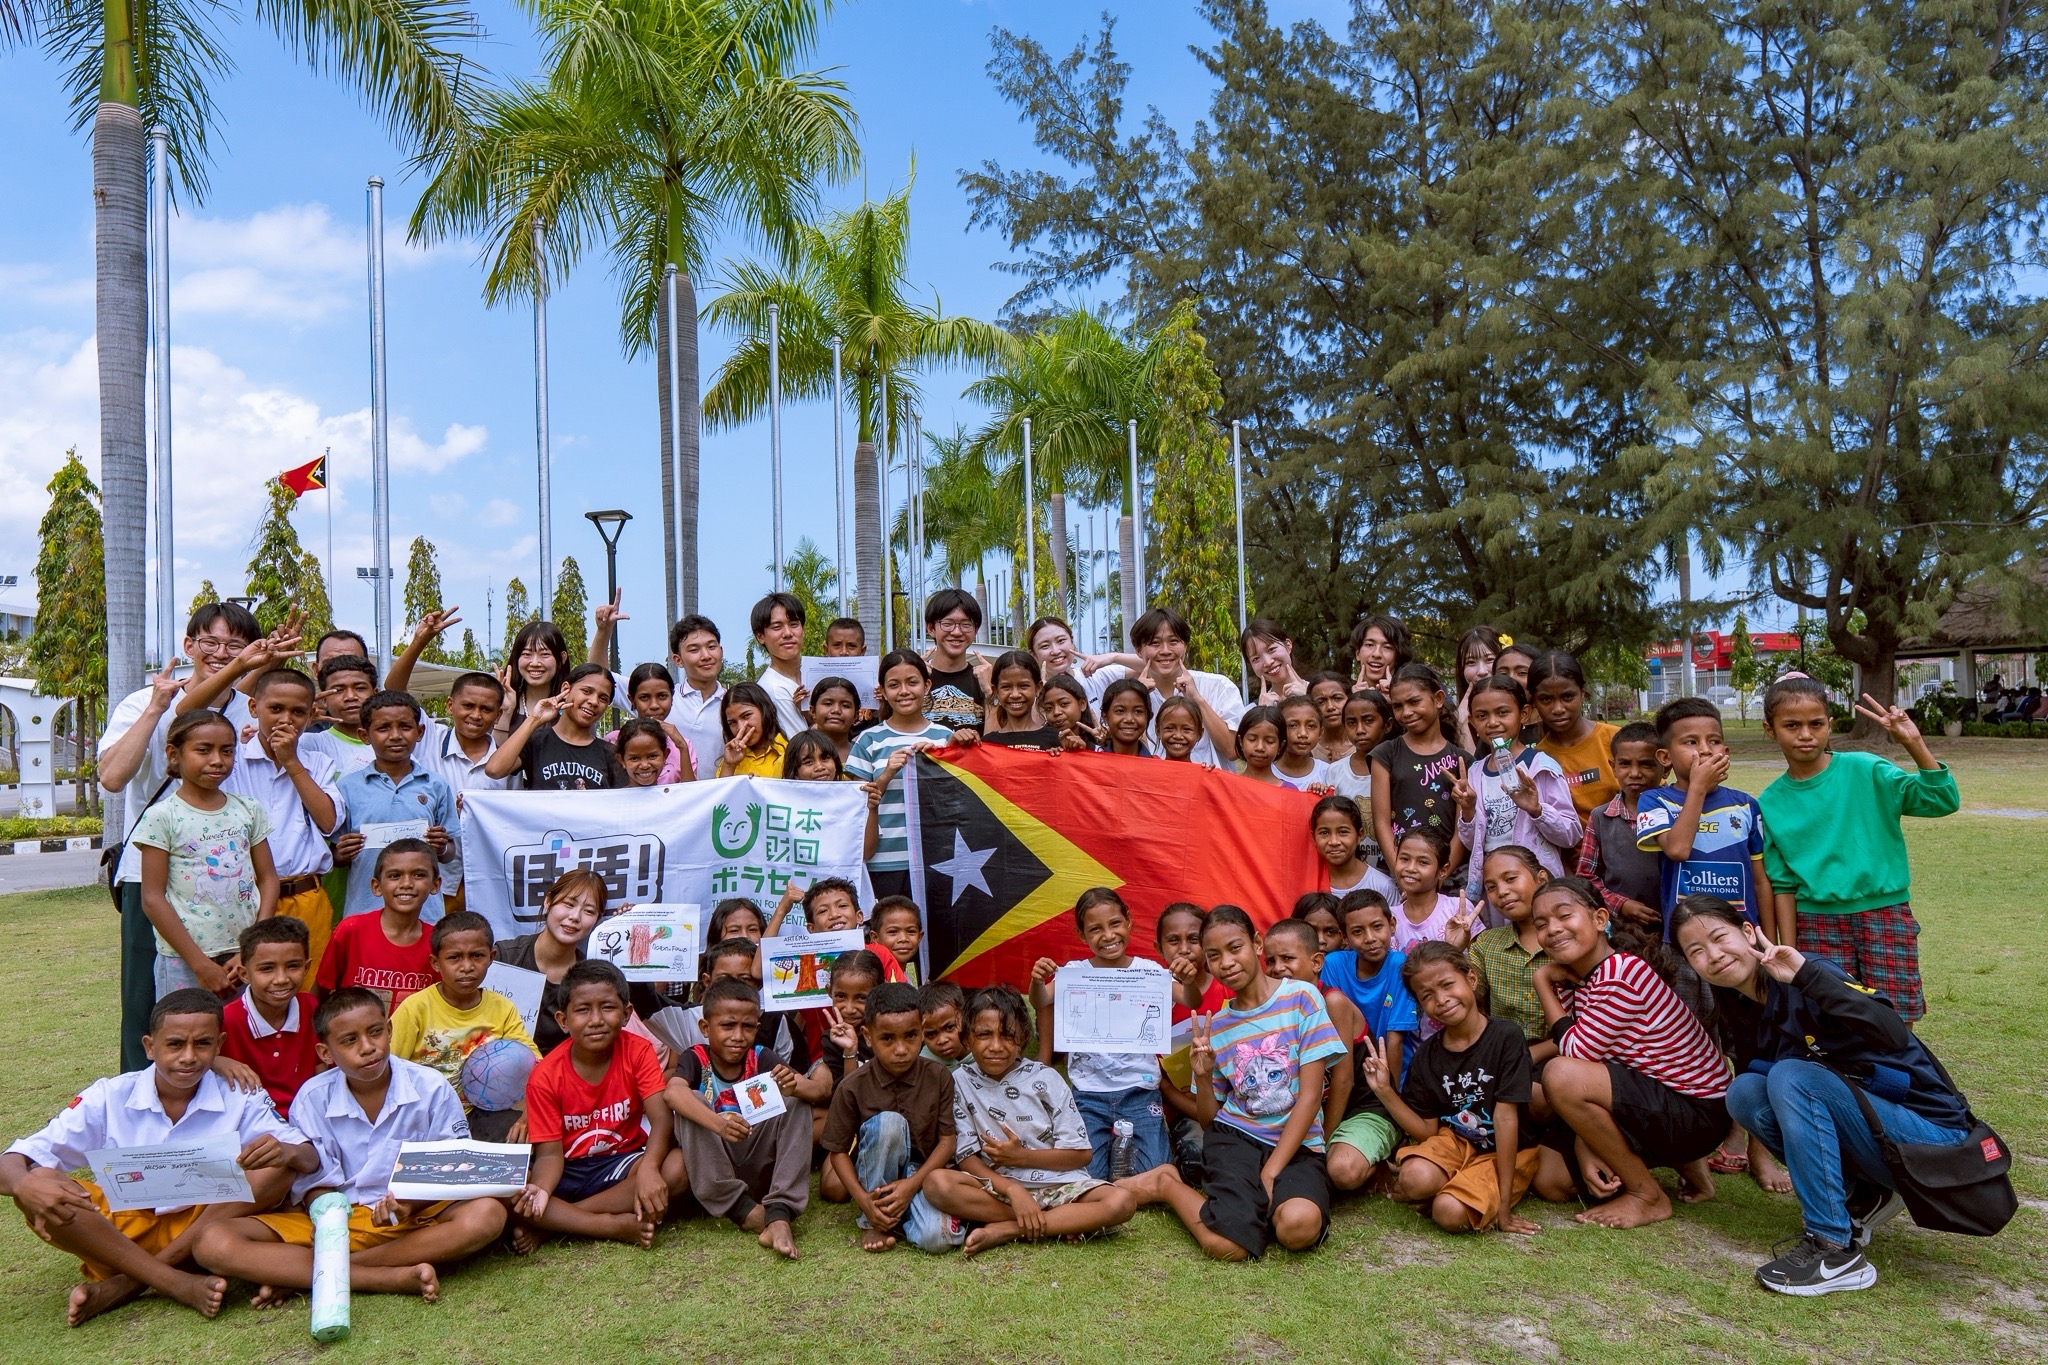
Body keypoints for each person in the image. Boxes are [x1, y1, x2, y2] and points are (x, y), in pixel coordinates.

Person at [1672, 896, 1978, 1296]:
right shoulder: (1737, 1003)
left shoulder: (1808, 970)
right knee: (1745, 1091)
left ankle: (1835, 1251)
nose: (1713, 955)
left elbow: (1893, 1033)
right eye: (1697, 951)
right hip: (1878, 1134)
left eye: (1719, 938)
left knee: (1792, 1074)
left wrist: (1805, 976)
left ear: (1748, 932)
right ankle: (1863, 1193)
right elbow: (1756, 1081)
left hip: (1935, 1139)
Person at [2, 989, 316, 1326]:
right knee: (38, 1182)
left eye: (203, 1044)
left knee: (277, 1165)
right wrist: (24, 1184)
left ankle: (129, 1283)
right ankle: (175, 1281)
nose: (189, 1057)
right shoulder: (110, 1096)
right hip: (120, 1235)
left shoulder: (241, 1095)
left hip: (205, 1227)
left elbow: (308, 1158)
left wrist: (290, 1151)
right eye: (175, 1044)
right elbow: (12, 1160)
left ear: (220, 1044)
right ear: (150, 1047)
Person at [192, 987, 507, 1305]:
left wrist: (410, 1203)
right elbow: (311, 1183)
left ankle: (318, 1273)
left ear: (389, 1030)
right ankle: (386, 1277)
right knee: (212, 1241)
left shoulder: (430, 1086)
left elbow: (453, 1165)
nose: (368, 1048)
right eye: (349, 1040)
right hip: (338, 1223)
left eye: (375, 1033)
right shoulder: (313, 1097)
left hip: (411, 1218)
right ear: (325, 1053)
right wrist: (326, 1219)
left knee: (487, 1214)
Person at [1125, 906, 1345, 1261]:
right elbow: (1210, 1122)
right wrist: (1202, 1073)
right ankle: (1166, 1184)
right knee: (1227, 1247)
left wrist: (1272, 1171)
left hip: (1299, 1146)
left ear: (1257, 942)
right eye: (1214, 956)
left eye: (1234, 947)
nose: (1226, 962)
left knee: (1298, 1228)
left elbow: (1309, 1097)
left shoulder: (1302, 999)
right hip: (1236, 1141)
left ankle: (1258, 1205)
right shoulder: (1220, 1025)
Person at [102, 601, 264, 1068]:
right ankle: (142, 1106)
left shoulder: (249, 710)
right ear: (189, 645)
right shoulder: (145, 700)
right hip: (152, 878)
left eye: (234, 645)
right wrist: (156, 708)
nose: (220, 653)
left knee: (232, 1007)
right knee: (148, 1007)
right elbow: (112, 778)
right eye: (210, 643)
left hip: (230, 881)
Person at [1757, 679, 1960, 1026]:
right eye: (1792, 725)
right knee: (1833, 1018)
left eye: (1816, 724)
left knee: (1895, 1018)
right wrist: (1793, 957)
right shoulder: (1769, 803)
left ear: (1829, 724)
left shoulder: (1867, 769)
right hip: (1815, 924)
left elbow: (1940, 800)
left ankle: (1906, 1078)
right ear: (1770, 730)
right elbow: (1782, 885)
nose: (1805, 734)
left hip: (1884, 914)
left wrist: (1913, 742)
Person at [1530, 878, 1730, 1228]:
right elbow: (1597, 1059)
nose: (1553, 929)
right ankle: (1687, 1169)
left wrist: (1542, 981)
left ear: (1598, 918)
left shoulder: (1622, 972)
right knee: (1552, 1181)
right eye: (1542, 924)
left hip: (1697, 1112)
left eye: (1564, 915)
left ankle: (1647, 1195)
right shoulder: (1583, 977)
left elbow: (1575, 1053)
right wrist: (1584, 1139)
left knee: (1559, 1073)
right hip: (1657, 1096)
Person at [925, 984, 1138, 1257]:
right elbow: (967, 1158)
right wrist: (1013, 1189)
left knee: (1121, 1201)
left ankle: (1010, 1228)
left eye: (1008, 1036)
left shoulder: (1046, 1079)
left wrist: (1021, 1158)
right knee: (937, 1184)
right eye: (984, 1035)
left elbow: (1080, 1155)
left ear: (1024, 1037)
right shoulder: (958, 1083)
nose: (996, 1046)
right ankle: (1062, 1221)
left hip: (1060, 1186)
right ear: (966, 1038)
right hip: (999, 1189)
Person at [1363, 941, 1542, 1234]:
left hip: (1506, 1149)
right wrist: (1384, 1090)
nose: (1442, 999)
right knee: (1413, 1178)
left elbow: (1506, 1118)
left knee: (1448, 1213)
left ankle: (1460, 1191)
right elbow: (1427, 1131)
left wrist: (1505, 1207)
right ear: (1420, 1006)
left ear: (1470, 979)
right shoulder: (1427, 1055)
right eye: (1427, 996)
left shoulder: (1506, 1036)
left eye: (1448, 985)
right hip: (1455, 1143)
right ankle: (1456, 1184)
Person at [512, 961, 687, 1253]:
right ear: (563, 1020)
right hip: (567, 1170)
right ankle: (610, 1225)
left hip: (622, 1163)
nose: (596, 1019)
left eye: (607, 1007)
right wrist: (541, 1191)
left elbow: (661, 1120)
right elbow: (549, 1157)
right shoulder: (545, 1076)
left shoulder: (637, 1051)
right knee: (517, 1195)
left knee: (678, 1166)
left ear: (626, 1013)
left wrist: (649, 1170)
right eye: (582, 1010)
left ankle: (559, 1223)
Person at [195, 665, 344, 983]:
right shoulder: (231, 763)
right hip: (242, 899)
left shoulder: (316, 763)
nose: (286, 719)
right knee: (246, 993)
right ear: (254, 708)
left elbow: (329, 822)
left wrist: (291, 761)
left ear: (310, 715)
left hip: (306, 897)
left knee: (306, 995)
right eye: (275, 709)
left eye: (298, 712)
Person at [1029, 888, 1176, 1183]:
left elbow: (1191, 999)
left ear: (1129, 922)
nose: (1108, 935)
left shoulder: (1150, 972)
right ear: (1082, 935)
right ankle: (1110, 1149)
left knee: (1153, 1169)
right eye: (1095, 929)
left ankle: (1120, 1150)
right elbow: (1042, 1000)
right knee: (1087, 1173)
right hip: (1089, 1093)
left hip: (1139, 1090)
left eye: (1115, 924)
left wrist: (1181, 976)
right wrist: (1036, 980)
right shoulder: (1073, 973)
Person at [664, 977, 814, 1260]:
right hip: (712, 1165)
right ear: (705, 1028)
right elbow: (672, 1094)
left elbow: (817, 1091)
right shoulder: (695, 1058)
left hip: (757, 1158)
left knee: (796, 1100)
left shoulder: (760, 1057)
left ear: (757, 1028)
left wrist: (794, 1084)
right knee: (690, 1099)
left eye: (747, 1026)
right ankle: (745, 1211)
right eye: (727, 1026)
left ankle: (780, 1214)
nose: (737, 1036)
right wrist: (719, 1124)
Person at [134, 708, 279, 999]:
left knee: (242, 1038)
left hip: (244, 957)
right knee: (190, 1035)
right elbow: (152, 898)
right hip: (183, 959)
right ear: (174, 754)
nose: (217, 760)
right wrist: (200, 965)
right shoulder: (162, 817)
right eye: (203, 750)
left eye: (227, 751)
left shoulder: (247, 809)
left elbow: (268, 880)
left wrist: (253, 947)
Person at [818, 981, 966, 1253]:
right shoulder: (853, 1086)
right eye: (888, 1038)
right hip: (875, 1181)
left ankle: (901, 1212)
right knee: (888, 1123)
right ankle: (874, 1219)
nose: (901, 1049)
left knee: (939, 1240)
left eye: (910, 1036)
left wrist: (911, 1186)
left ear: (922, 1031)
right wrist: (863, 1200)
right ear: (867, 1036)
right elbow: (838, 1152)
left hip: (923, 1175)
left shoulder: (939, 1077)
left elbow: (947, 1141)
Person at [388, 912, 539, 1142]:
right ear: (435, 963)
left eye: (477, 956)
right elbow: (389, 1067)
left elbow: (533, 1063)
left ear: (491, 957)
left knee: (523, 1131)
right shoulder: (415, 1008)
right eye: (454, 958)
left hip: (485, 1116)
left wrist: (529, 1112)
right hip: (426, 1114)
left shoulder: (502, 1008)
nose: (467, 966)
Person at [1636, 696, 1774, 940]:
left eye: (1715, 741)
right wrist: (1698, 788)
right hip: (1685, 938)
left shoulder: (1746, 805)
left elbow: (1760, 881)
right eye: (1691, 742)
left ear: (1726, 752)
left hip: (1743, 935)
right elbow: (1677, 850)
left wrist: (1769, 942)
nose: (1705, 749)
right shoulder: (1654, 801)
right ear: (1665, 757)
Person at [1319, 890, 1419, 1194]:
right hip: (1342, 1071)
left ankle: (1386, 1149)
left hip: (1388, 1079)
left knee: (1340, 1170)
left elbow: (1395, 1040)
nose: (1371, 938)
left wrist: (1392, 1098)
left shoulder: (1401, 967)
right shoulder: (1335, 964)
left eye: (1377, 927)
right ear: (1346, 937)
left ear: (1392, 924)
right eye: (1358, 932)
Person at [848, 651, 967, 902]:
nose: (904, 691)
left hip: (936, 859)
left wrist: (937, 763)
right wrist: (887, 773)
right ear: (883, 691)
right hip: (884, 863)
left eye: (912, 682)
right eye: (894, 685)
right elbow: (856, 808)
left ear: (927, 685)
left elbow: (958, 800)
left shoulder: (944, 737)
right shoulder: (868, 740)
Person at [334, 691, 461, 922]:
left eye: (405, 727)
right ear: (365, 735)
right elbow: (335, 857)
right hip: (366, 911)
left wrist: (441, 846)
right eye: (383, 728)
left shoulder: (436, 784)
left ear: (420, 732)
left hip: (425, 914)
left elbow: (449, 853)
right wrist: (341, 854)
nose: (395, 736)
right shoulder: (347, 787)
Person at [1452, 675, 1581, 897]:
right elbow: (1472, 843)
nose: (1492, 723)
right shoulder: (1474, 773)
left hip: (1539, 886)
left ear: (1523, 714)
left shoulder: (1540, 766)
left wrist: (1537, 810)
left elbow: (1570, 835)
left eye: (1503, 712)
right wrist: (1468, 811)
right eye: (1482, 716)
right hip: (1495, 889)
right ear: (1472, 722)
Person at [1091, 608, 1246, 763]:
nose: (1165, 651)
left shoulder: (1219, 686)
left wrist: (1197, 699)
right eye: (1155, 643)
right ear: (1139, 650)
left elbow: (1233, 750)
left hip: (1207, 786)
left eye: (1173, 642)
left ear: (1185, 645)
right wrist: (1139, 700)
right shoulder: (1131, 698)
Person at [1261, 919, 1363, 1148]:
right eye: (1270, 961)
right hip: (1315, 1106)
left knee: (1340, 1168)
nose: (1277, 968)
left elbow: (1344, 1079)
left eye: (1287, 958)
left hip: (1355, 1105)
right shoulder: (1280, 1006)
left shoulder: (1332, 1002)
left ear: (1316, 962)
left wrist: (1322, 1140)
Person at [1369, 664, 1471, 869]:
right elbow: (1381, 823)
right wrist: (1401, 871)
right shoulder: (1385, 754)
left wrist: (1440, 874)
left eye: (1414, 701)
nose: (1406, 712)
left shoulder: (1462, 760)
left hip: (1449, 875)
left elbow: (1463, 829)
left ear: (1438, 699)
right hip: (1399, 871)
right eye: (1398, 706)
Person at [318, 839, 439, 1010]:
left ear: (435, 885)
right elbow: (320, 993)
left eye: (418, 875)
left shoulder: (437, 942)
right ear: (377, 886)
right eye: (394, 876)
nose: (406, 884)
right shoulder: (352, 930)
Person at [219, 917, 322, 1116]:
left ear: (307, 968)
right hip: (247, 1121)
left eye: (293, 966)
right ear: (244, 974)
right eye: (267, 968)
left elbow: (322, 1070)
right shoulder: (226, 1020)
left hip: (305, 1118)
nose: (281, 979)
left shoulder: (310, 1007)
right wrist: (216, 1061)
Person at [1575, 721, 1664, 932]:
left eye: (1646, 764)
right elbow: (1586, 878)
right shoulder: (1600, 818)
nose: (1634, 773)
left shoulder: (1678, 812)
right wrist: (1621, 905)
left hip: (1674, 925)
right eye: (1624, 764)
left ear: (1665, 767)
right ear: (1612, 767)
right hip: (1623, 929)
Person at [1465, 846, 1556, 1047]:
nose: (1502, 892)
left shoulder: (1566, 940)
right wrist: (1456, 948)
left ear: (1541, 879)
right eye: (1491, 887)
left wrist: (1529, 1057)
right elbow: (1466, 1002)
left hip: (1567, 1056)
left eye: (1510, 879)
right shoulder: (1487, 944)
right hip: (1504, 1056)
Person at [488, 663, 630, 791]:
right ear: (566, 689)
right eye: (586, 691)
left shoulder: (611, 754)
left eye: (603, 698)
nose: (593, 701)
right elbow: (494, 770)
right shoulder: (536, 742)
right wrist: (534, 719)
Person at [1529, 650, 1621, 821]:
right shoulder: (1537, 759)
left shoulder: (1616, 740)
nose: (1558, 709)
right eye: (1546, 699)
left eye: (1567, 697)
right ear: (1534, 702)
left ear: (1582, 694)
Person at [604, 663, 695, 785]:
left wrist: (682, 748)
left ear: (672, 697)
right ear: (632, 700)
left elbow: (692, 795)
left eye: (662, 696)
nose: (654, 705)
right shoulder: (613, 740)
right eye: (644, 697)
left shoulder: (682, 744)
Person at [668, 613, 730, 781]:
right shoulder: (663, 700)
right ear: (678, 660)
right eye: (694, 650)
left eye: (711, 647)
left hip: (717, 804)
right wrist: (604, 631)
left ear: (721, 651)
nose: (706, 656)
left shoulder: (734, 706)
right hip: (668, 803)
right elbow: (599, 678)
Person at [921, 588, 992, 733]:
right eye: (947, 624)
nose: (957, 632)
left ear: (976, 630)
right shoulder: (916, 679)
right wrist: (911, 676)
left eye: (966, 625)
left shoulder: (985, 680)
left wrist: (991, 691)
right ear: (931, 628)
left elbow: (996, 738)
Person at [1389, 829, 1472, 952]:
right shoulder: (1389, 918)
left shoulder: (1457, 910)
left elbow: (1479, 961)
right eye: (1405, 859)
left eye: (1423, 862)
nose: (1411, 868)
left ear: (1442, 871)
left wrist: (1455, 948)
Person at [300, 656, 379, 779]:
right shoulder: (308, 744)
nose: (350, 696)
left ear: (376, 694)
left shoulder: (392, 745)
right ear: (324, 699)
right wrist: (298, 724)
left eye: (360, 688)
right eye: (338, 690)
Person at [1311, 795, 1398, 905]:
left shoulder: (1383, 886)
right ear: (1313, 837)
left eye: (1343, 832)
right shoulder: (1307, 885)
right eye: (1324, 833)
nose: (1334, 841)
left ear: (1360, 835)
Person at [494, 621, 571, 744]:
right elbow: (493, 759)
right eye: (526, 654)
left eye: (544, 654)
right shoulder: (502, 704)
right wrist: (505, 712)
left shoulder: (571, 707)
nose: (535, 663)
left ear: (562, 658)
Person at [751, 592, 811, 739]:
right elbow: (803, 746)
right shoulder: (772, 690)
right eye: (777, 627)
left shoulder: (816, 674)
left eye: (794, 624)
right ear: (760, 637)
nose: (788, 633)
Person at [981, 650, 1063, 750]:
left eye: (1023, 686)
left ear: (1038, 688)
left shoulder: (1057, 740)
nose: (1015, 695)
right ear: (996, 691)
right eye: (1006, 687)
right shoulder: (987, 745)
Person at [1325, 688, 1392, 809]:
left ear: (1387, 725)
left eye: (1368, 721)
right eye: (1351, 723)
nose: (1360, 730)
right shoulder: (1336, 771)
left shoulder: (1398, 766)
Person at [1449, 625, 1509, 750]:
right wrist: (1462, 723)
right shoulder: (1454, 720)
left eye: (1489, 659)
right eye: (1471, 662)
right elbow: (1473, 767)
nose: (1482, 671)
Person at [716, 681, 788, 778]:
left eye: (746, 716)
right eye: (733, 722)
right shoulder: (730, 759)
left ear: (764, 710)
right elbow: (721, 793)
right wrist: (729, 766)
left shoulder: (789, 752)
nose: (741, 727)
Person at [1239, 617, 1308, 703]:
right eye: (1256, 658)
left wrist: (1308, 698)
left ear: (1288, 645)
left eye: (1271, 650)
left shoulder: (1322, 694)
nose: (1268, 662)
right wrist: (1263, 713)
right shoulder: (1251, 712)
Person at [1272, 695, 1331, 791]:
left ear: (1320, 733)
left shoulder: (1328, 773)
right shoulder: (1267, 773)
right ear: (1279, 730)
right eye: (1293, 725)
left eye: (1311, 726)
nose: (1303, 734)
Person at [805, 677, 865, 763]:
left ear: (855, 715)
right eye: (828, 704)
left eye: (845, 705)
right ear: (813, 711)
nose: (836, 710)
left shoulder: (864, 756)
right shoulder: (799, 752)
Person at [1349, 614, 1411, 694]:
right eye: (1369, 645)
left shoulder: (1410, 697)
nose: (1377, 654)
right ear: (1358, 653)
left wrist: (1395, 700)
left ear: (1398, 657)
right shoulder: (1340, 699)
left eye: (1387, 647)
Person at [870, 896, 924, 986]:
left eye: (911, 931)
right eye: (893, 932)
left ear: (919, 937)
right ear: (875, 937)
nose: (903, 938)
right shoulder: (872, 980)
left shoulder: (906, 978)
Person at [1040, 673, 1100, 752]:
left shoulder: (1098, 749)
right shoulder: (1040, 746)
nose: (1056, 712)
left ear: (1082, 704)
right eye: (1049, 708)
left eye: (1064, 704)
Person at [1307, 672, 1354, 764]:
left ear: (1350, 699)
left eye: (1337, 698)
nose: (1330, 707)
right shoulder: (1307, 748)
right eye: (1321, 702)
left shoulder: (1363, 743)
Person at [919, 981, 968, 1068]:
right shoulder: (924, 1066)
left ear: (964, 1017)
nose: (942, 1040)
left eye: (949, 1027)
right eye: (931, 1034)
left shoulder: (985, 1050)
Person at [1233, 705, 1284, 784]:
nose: (1260, 747)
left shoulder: (1289, 791)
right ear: (1241, 742)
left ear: (1280, 746)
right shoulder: (1228, 787)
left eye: (1269, 741)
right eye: (1252, 739)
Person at [617, 718, 674, 788]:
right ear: (622, 760)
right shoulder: (615, 798)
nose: (644, 765)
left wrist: (683, 748)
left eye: (652, 756)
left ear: (665, 755)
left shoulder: (673, 798)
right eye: (634, 758)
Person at [1151, 695, 1204, 764]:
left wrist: (1208, 773)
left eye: (1186, 729)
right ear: (1158, 731)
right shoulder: (1149, 769)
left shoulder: (1204, 773)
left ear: (1199, 734)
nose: (1178, 736)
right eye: (1169, 728)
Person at [782, 728, 846, 781]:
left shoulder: (849, 795)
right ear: (795, 772)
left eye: (825, 758)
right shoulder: (785, 796)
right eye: (808, 762)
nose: (819, 767)